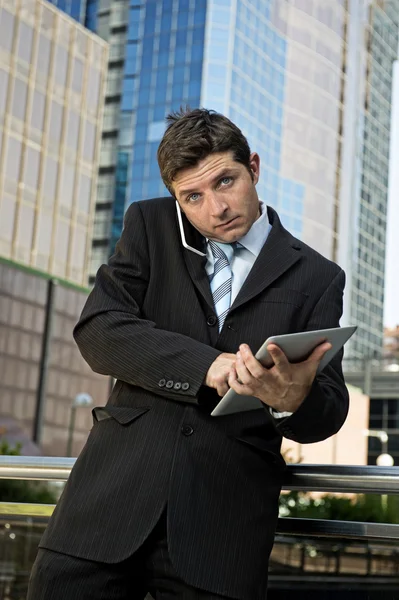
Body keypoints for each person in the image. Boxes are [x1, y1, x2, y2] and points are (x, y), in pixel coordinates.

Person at [28, 108, 349, 599]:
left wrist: (289, 399)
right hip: (104, 509)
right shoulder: (149, 227)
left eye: (226, 181)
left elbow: (328, 409)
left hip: (223, 532)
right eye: (192, 196)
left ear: (254, 168)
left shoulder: (318, 277)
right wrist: (208, 366)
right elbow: (100, 329)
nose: (215, 208)